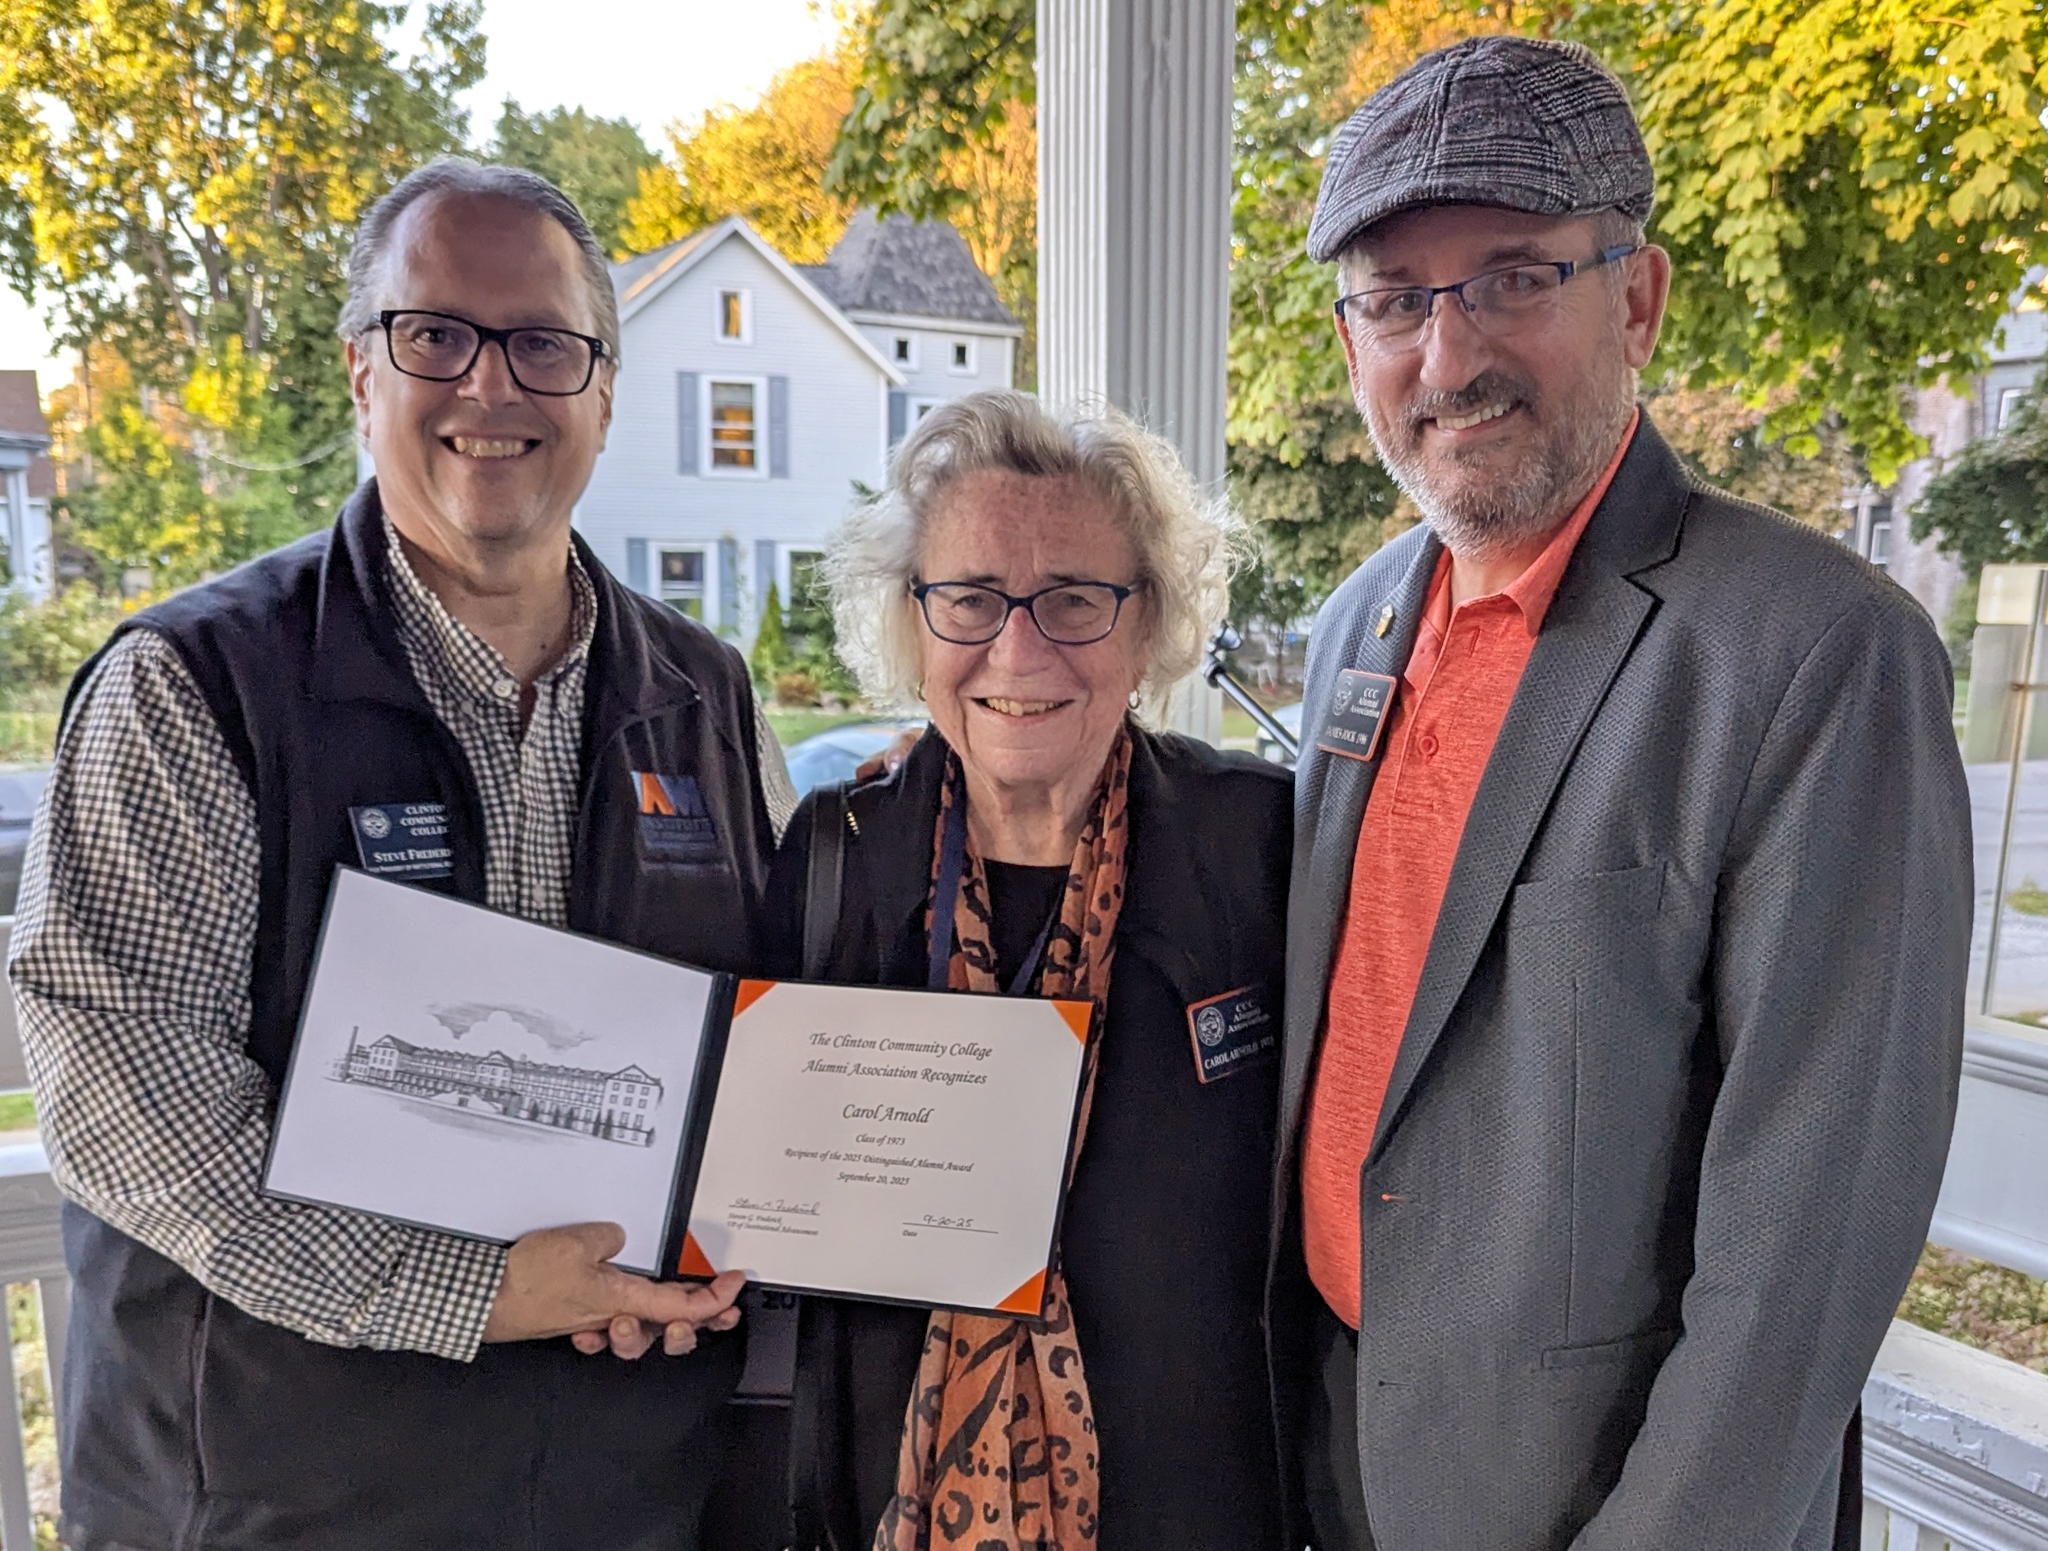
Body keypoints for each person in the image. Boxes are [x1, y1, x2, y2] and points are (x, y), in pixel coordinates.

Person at [5, 159, 796, 1549]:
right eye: (437, 334)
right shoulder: (196, 685)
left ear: (603, 391)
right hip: (275, 1496)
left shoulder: (708, 697)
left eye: (545, 343)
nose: (492, 386)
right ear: (362, 373)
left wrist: (722, 1245)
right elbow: (134, 1101)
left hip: (636, 1495)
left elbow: (766, 1046)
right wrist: (486, 1288)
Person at [1274, 36, 1972, 1551]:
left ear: (1639, 298)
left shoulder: (1820, 655)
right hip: (1326, 1456)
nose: (1447, 357)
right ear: (1351, 342)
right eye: (1395, 299)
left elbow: (1809, 1252)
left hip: (1588, 1504)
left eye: (1513, 276)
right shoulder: (1353, 630)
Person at [765, 390, 1293, 1551]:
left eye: (1073, 599)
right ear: (912, 627)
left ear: (1145, 624)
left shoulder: (1260, 847)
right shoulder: (834, 861)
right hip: (884, 1505)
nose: (1018, 648)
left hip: (1201, 1511)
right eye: (967, 599)